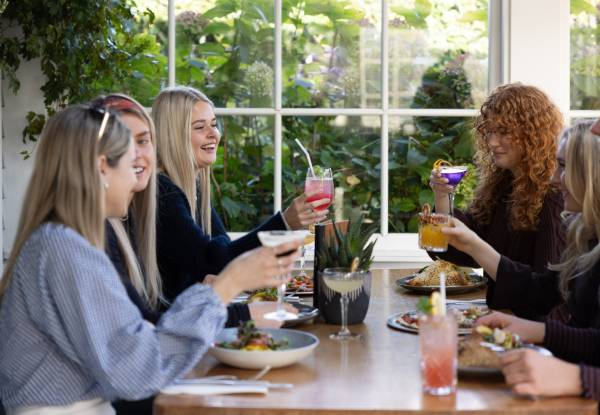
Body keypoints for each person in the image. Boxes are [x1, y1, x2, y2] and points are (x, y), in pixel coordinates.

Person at [0, 104, 301, 414]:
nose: (137, 181)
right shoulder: (64, 248)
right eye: (132, 165)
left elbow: (134, 342)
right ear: (103, 168)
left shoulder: (62, 241)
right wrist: (228, 285)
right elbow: (137, 371)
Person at [151, 86, 329, 302]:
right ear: (174, 136)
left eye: (214, 125)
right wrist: (284, 222)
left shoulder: (191, 187)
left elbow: (220, 249)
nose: (213, 134)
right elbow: (217, 261)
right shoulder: (163, 193)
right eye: (200, 127)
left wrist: (212, 267)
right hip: (172, 323)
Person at [443, 120, 600, 329]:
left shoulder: (552, 203)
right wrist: (472, 244)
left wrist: (535, 334)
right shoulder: (585, 234)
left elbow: (590, 343)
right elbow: (542, 290)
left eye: (562, 166)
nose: (553, 179)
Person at [429, 83, 566, 319]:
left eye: (503, 132)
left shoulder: (555, 195)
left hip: (534, 334)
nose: (492, 142)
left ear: (533, 134)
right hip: (502, 318)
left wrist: (474, 245)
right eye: (489, 132)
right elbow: (458, 252)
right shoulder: (503, 184)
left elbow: (546, 293)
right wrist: (443, 196)